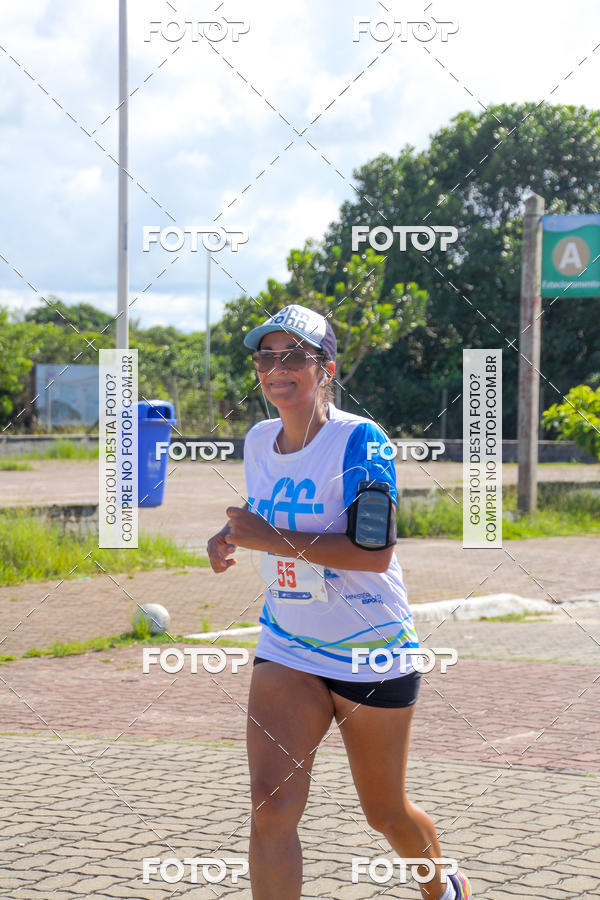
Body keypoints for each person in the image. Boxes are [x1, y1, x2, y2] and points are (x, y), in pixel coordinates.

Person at [207, 304, 472, 900]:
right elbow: (266, 523)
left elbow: (373, 553)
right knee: (271, 809)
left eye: (294, 356)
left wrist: (264, 537)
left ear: (326, 368)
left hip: (370, 650)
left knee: (385, 813)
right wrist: (228, 539)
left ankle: (444, 884)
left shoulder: (361, 440)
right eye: (266, 357)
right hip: (288, 642)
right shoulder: (256, 441)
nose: (277, 368)